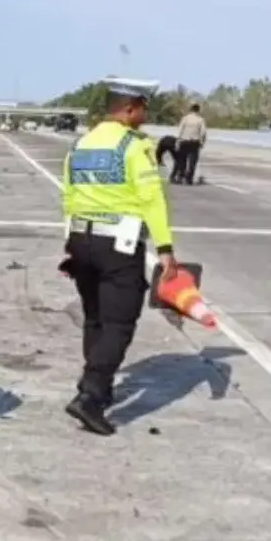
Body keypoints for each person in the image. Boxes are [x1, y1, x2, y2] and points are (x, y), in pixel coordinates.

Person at [60, 79, 179, 436]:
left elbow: (69, 195)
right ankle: (91, 396)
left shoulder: (79, 144)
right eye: (143, 108)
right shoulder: (135, 146)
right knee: (119, 323)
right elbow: (151, 199)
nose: (145, 116)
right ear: (129, 108)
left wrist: (71, 245)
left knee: (95, 318)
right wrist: (165, 248)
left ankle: (101, 387)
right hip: (119, 247)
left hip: (81, 239)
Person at [171, 103, 207, 184]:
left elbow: (180, 130)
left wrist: (177, 141)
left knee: (182, 160)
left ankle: (180, 177)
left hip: (184, 141)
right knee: (192, 162)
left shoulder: (185, 118)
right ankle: (189, 179)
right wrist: (202, 142)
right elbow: (203, 132)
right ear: (198, 110)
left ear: (191, 110)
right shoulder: (200, 120)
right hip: (194, 142)